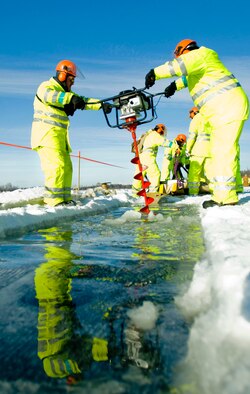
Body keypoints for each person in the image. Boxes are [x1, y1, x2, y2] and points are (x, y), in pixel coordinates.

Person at [145, 39, 249, 208]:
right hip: (222, 110)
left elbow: (178, 66)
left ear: (183, 51)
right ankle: (223, 195)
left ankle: (226, 198)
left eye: (178, 55)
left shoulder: (200, 54)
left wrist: (154, 73)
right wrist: (174, 86)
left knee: (223, 151)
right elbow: (186, 79)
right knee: (219, 151)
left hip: (227, 107)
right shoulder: (201, 63)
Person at [31, 60, 112, 207]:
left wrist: (102, 105)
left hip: (59, 137)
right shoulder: (46, 86)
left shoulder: (66, 93)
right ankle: (53, 202)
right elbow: (50, 96)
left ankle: (65, 199)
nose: (73, 83)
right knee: (56, 166)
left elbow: (84, 101)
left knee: (67, 167)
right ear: (62, 75)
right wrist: (70, 99)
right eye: (71, 79)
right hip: (46, 136)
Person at [131, 123, 169, 196]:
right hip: (148, 158)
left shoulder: (147, 134)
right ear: (160, 129)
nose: (162, 133)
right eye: (163, 131)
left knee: (139, 176)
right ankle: (152, 195)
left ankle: (134, 195)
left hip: (140, 157)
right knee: (155, 174)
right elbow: (164, 142)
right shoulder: (154, 135)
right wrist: (174, 145)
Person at [186, 107, 212, 196]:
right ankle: (215, 193)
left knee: (194, 173)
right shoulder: (210, 117)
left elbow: (192, 136)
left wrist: (188, 149)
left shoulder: (196, 118)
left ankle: (193, 193)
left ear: (194, 112)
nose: (190, 116)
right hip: (211, 151)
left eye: (190, 113)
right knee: (211, 173)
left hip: (198, 150)